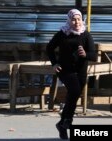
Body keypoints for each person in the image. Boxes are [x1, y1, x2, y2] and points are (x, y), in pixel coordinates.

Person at [46, 9, 97, 139]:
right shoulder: (62, 34)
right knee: (74, 91)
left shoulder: (86, 35)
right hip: (65, 70)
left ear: (82, 20)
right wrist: (54, 63)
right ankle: (67, 121)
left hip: (81, 71)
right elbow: (49, 48)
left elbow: (94, 55)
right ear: (69, 20)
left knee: (73, 96)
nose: (76, 22)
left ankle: (63, 124)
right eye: (73, 19)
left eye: (78, 19)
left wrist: (85, 54)